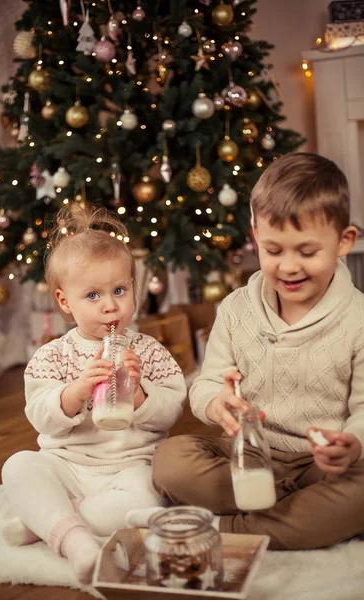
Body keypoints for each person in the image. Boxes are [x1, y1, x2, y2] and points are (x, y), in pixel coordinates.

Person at [150, 152, 364, 551]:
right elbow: (206, 382)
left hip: (321, 467)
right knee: (170, 460)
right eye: (274, 250)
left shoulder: (358, 320)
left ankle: (232, 529)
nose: (289, 266)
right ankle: (289, 515)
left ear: (343, 242)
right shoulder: (236, 308)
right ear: (255, 238)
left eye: (306, 251)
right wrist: (216, 402)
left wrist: (351, 443)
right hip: (248, 456)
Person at [1, 204, 186, 584]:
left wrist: (139, 395)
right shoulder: (52, 355)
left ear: (133, 288)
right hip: (68, 465)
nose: (110, 305)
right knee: (19, 466)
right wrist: (75, 391)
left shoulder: (150, 352)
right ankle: (78, 543)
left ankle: (50, 521)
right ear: (65, 302)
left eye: (119, 290)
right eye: (92, 295)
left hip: (131, 467)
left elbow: (172, 410)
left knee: (151, 499)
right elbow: (40, 413)